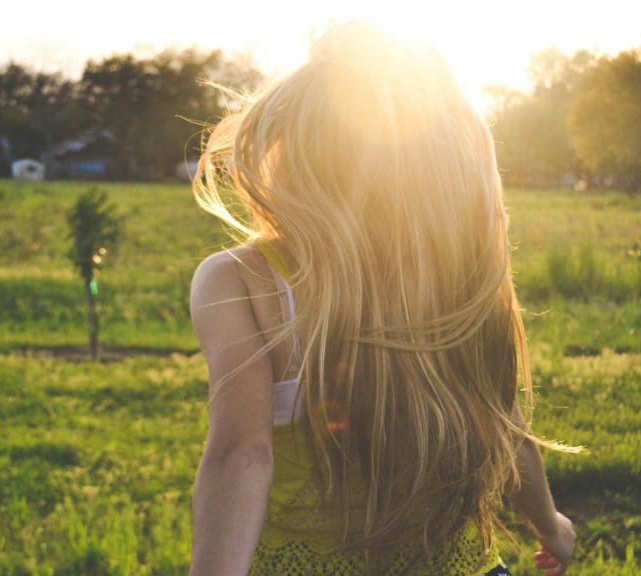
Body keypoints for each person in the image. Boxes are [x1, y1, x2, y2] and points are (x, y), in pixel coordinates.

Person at [186, 17, 581, 576]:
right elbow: (506, 428)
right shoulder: (456, 279)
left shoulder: (239, 278)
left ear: (293, 145)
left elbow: (241, 456)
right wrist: (550, 526)